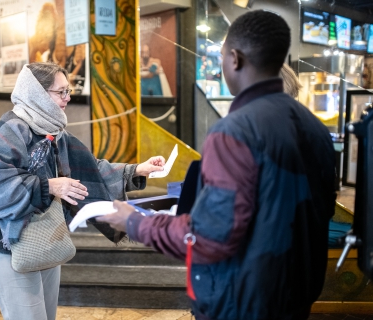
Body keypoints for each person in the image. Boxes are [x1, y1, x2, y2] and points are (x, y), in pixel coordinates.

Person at [98, 10, 336, 320]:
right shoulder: (314, 128)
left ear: (234, 59)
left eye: (221, 55)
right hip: (296, 293)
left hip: (241, 301)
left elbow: (209, 236)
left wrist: (135, 222)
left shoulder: (236, 131)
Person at [0, 62, 165, 320]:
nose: (67, 98)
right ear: (38, 94)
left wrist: (136, 171)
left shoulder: (54, 130)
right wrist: (49, 186)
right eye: (61, 92)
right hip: (7, 247)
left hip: (45, 239)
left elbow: (89, 167)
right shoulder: (13, 128)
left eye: (68, 91)